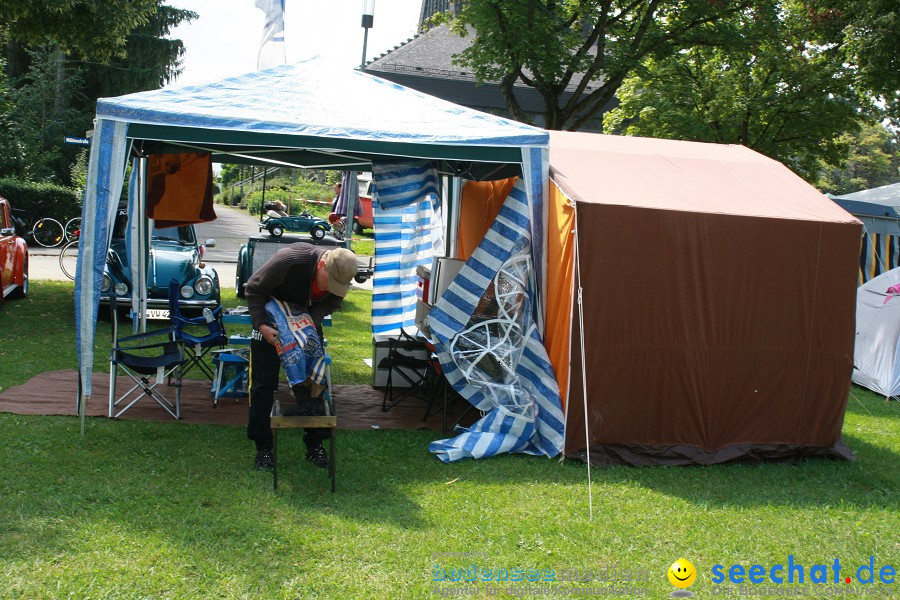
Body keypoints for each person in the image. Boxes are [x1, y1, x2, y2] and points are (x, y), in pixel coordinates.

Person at [244, 243, 358, 471]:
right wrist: (261, 325)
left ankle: (315, 445)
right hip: (269, 324)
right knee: (263, 386)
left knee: (314, 383)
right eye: (330, 281)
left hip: (305, 326)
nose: (332, 288)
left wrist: (307, 321)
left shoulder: (338, 275)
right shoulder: (290, 260)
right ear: (322, 264)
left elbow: (333, 301)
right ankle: (263, 449)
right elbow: (254, 289)